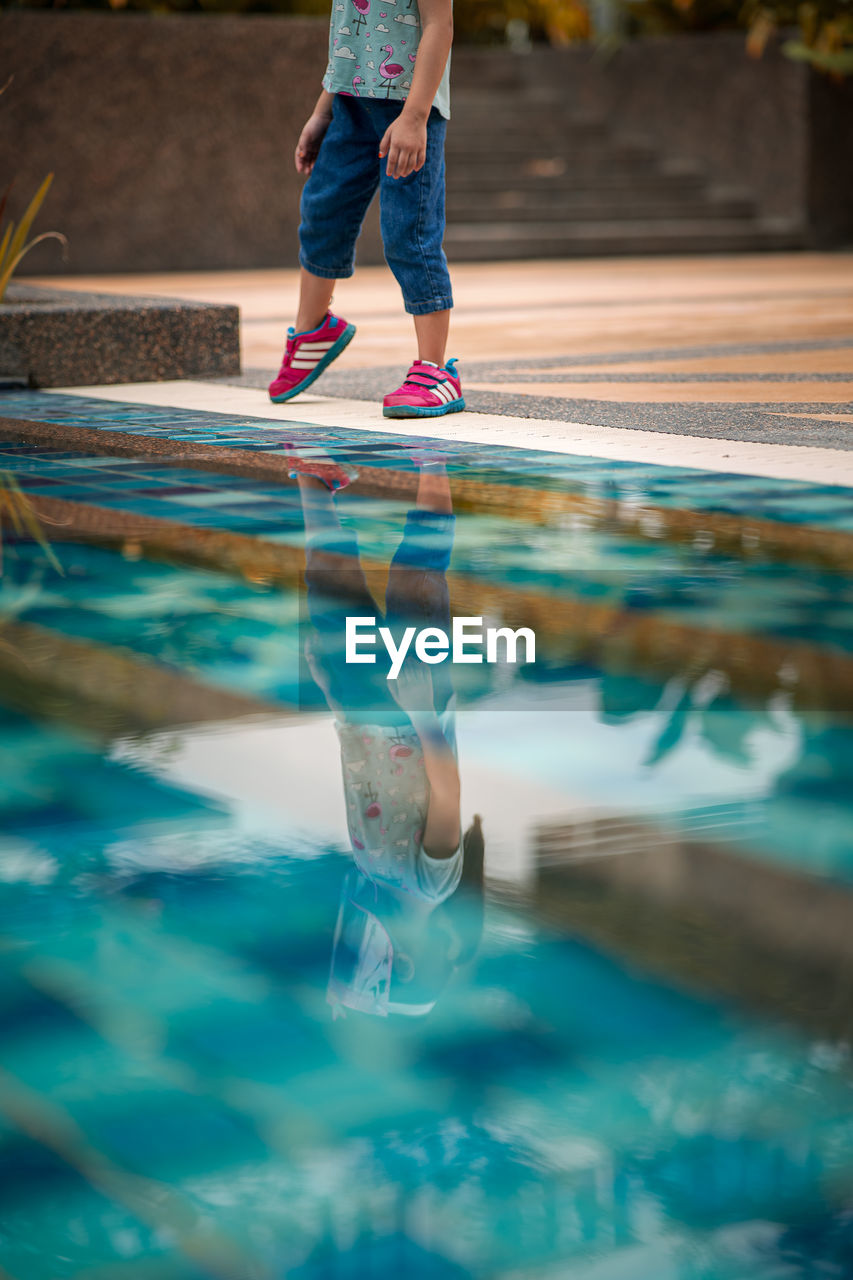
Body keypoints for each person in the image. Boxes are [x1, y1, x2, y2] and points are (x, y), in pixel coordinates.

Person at [291, 449, 483, 1017]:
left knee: (333, 592)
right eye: (383, 969)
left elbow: (361, 780)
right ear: (405, 962)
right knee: (417, 581)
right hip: (411, 705)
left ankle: (313, 479)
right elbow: (445, 789)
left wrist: (330, 696)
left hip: (362, 710)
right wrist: (421, 708)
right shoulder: (433, 884)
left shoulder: (370, 876)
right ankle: (432, 462)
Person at [268, 0, 463, 420]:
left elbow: (439, 25)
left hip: (409, 109)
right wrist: (322, 112)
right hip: (350, 105)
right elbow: (350, 39)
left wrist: (415, 117)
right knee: (322, 212)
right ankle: (312, 330)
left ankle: (436, 370)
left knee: (407, 233)